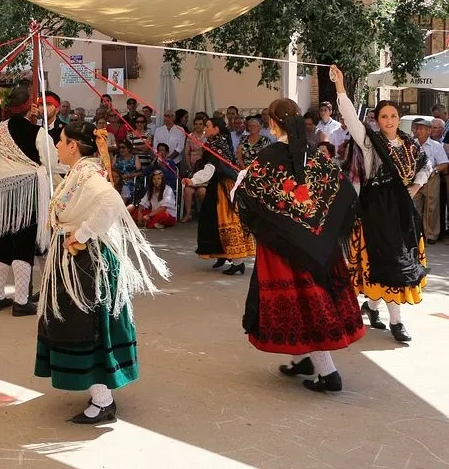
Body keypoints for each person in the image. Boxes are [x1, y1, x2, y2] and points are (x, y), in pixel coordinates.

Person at [35, 121, 168, 424]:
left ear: (73, 146)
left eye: (61, 141)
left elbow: (111, 202)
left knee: (86, 326)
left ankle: (103, 401)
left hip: (87, 263)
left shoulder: (88, 175)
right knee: (81, 324)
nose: (57, 146)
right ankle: (99, 394)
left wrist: (82, 233)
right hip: (77, 260)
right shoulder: (79, 172)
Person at [232, 97, 364, 392]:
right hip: (318, 245)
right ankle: (302, 359)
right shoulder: (315, 156)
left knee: (306, 304)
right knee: (309, 301)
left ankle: (328, 373)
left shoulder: (266, 159)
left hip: (285, 248)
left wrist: (242, 180)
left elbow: (246, 196)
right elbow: (343, 190)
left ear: (271, 122)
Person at [332, 65, 428, 343]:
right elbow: (351, 118)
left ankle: (372, 306)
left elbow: (425, 166)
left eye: (393, 116)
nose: (389, 120)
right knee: (388, 261)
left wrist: (414, 188)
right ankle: (396, 322)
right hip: (377, 209)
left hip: (403, 211)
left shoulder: (409, 144)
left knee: (395, 260)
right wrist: (340, 87)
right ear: (377, 119)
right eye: (384, 116)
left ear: (399, 118)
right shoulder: (370, 143)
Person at [0, 86, 58, 316]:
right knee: (23, 241)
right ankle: (21, 301)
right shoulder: (37, 132)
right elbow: (51, 163)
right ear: (30, 106)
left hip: (1, 191)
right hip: (28, 190)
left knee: (3, 239)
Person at [181, 116, 255, 274]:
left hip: (224, 187)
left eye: (208, 126)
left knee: (228, 221)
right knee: (212, 220)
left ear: (216, 129)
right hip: (219, 185)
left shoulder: (215, 146)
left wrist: (192, 180)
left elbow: (209, 170)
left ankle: (237, 262)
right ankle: (222, 254)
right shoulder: (219, 142)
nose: (205, 129)